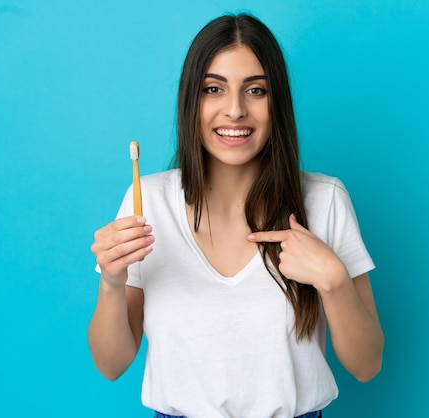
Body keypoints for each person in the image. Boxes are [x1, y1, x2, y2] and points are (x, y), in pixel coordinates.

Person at [88, 13, 384, 418]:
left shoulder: (324, 200)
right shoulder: (148, 201)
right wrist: (111, 281)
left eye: (255, 90)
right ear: (192, 100)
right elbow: (111, 364)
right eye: (214, 89)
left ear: (276, 102)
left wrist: (333, 281)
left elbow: (367, 366)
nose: (234, 110)